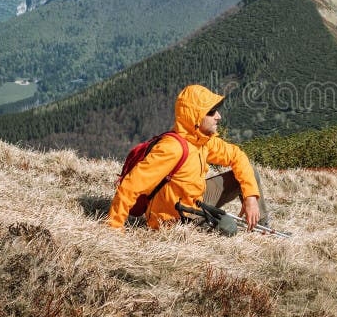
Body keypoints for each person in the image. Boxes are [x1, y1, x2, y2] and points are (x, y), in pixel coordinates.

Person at [107, 84, 269, 232]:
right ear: (195, 117)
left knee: (250, 175)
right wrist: (115, 226)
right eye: (211, 112)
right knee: (228, 228)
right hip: (173, 219)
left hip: (196, 201)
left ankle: (261, 227)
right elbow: (131, 185)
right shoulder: (172, 148)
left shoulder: (202, 141)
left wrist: (250, 198)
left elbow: (237, 156)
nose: (218, 116)